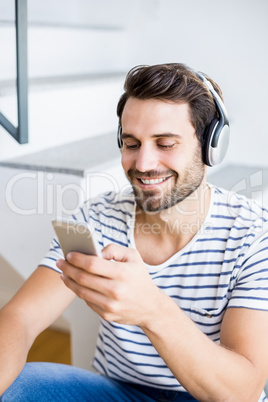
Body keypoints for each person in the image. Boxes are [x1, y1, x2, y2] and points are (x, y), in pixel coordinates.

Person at [1, 63, 268, 401]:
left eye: (165, 144)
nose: (142, 164)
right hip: (120, 392)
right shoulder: (96, 217)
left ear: (212, 145)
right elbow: (20, 317)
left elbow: (241, 392)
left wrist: (151, 309)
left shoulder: (254, 236)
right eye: (131, 144)